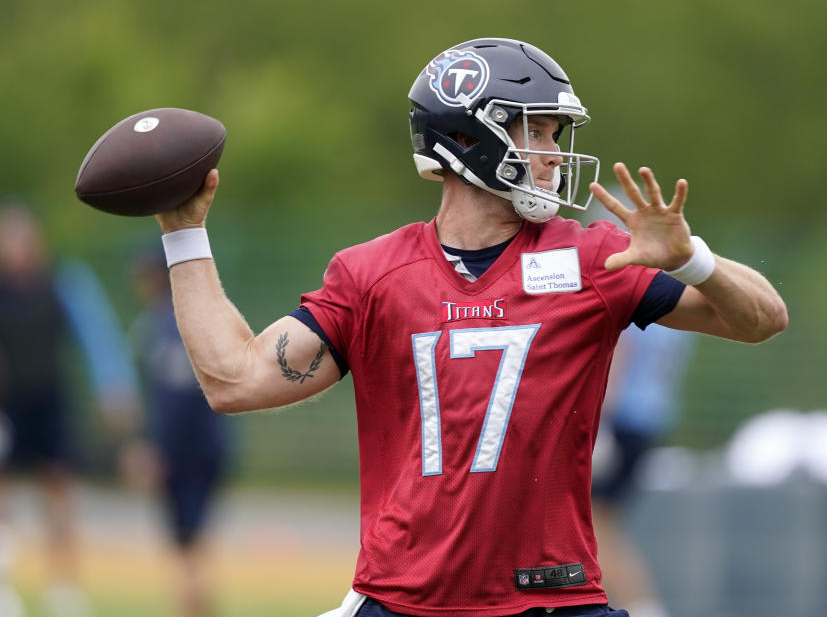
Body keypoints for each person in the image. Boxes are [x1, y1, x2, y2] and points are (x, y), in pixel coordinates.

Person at [152, 38, 788, 617]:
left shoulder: (591, 258)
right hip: (406, 602)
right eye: (536, 132)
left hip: (551, 600)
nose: (552, 156)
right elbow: (234, 380)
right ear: (468, 139)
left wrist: (694, 259)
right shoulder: (373, 275)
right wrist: (184, 232)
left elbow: (763, 320)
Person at [0, 202, 139, 617]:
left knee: (59, 493)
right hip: (6, 405)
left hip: (50, 402)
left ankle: (64, 588)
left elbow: (96, 335)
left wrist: (114, 387)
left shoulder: (62, 284)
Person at [124, 249, 230, 617]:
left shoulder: (165, 328)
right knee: (192, 545)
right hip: (208, 446)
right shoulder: (187, 321)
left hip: (184, 452)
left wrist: (154, 450)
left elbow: (171, 403)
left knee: (187, 547)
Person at [591, 324, 696, 617]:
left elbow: (617, 351)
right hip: (648, 420)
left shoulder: (635, 293)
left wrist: (600, 421)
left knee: (594, 529)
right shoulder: (676, 303)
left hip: (620, 420)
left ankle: (644, 609)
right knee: (598, 526)